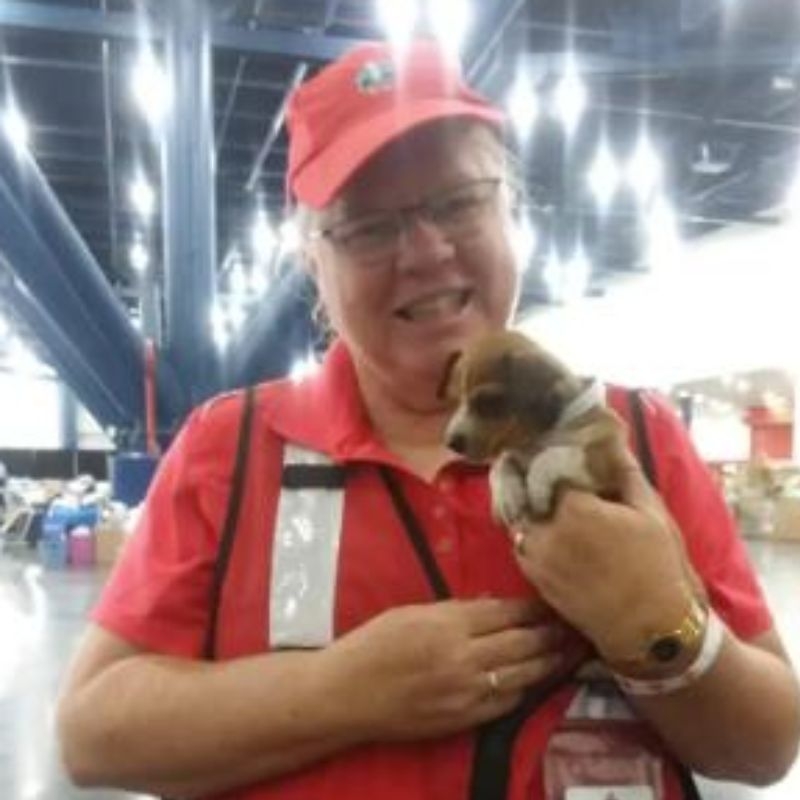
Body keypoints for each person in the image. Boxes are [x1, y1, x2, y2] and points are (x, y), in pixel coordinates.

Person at [57, 39, 799, 799]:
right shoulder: (231, 448)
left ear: (510, 209)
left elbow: (769, 745)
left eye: (457, 201)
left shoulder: (637, 440)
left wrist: (662, 628)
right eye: (369, 227)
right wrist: (343, 691)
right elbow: (93, 733)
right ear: (313, 260)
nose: (426, 251)